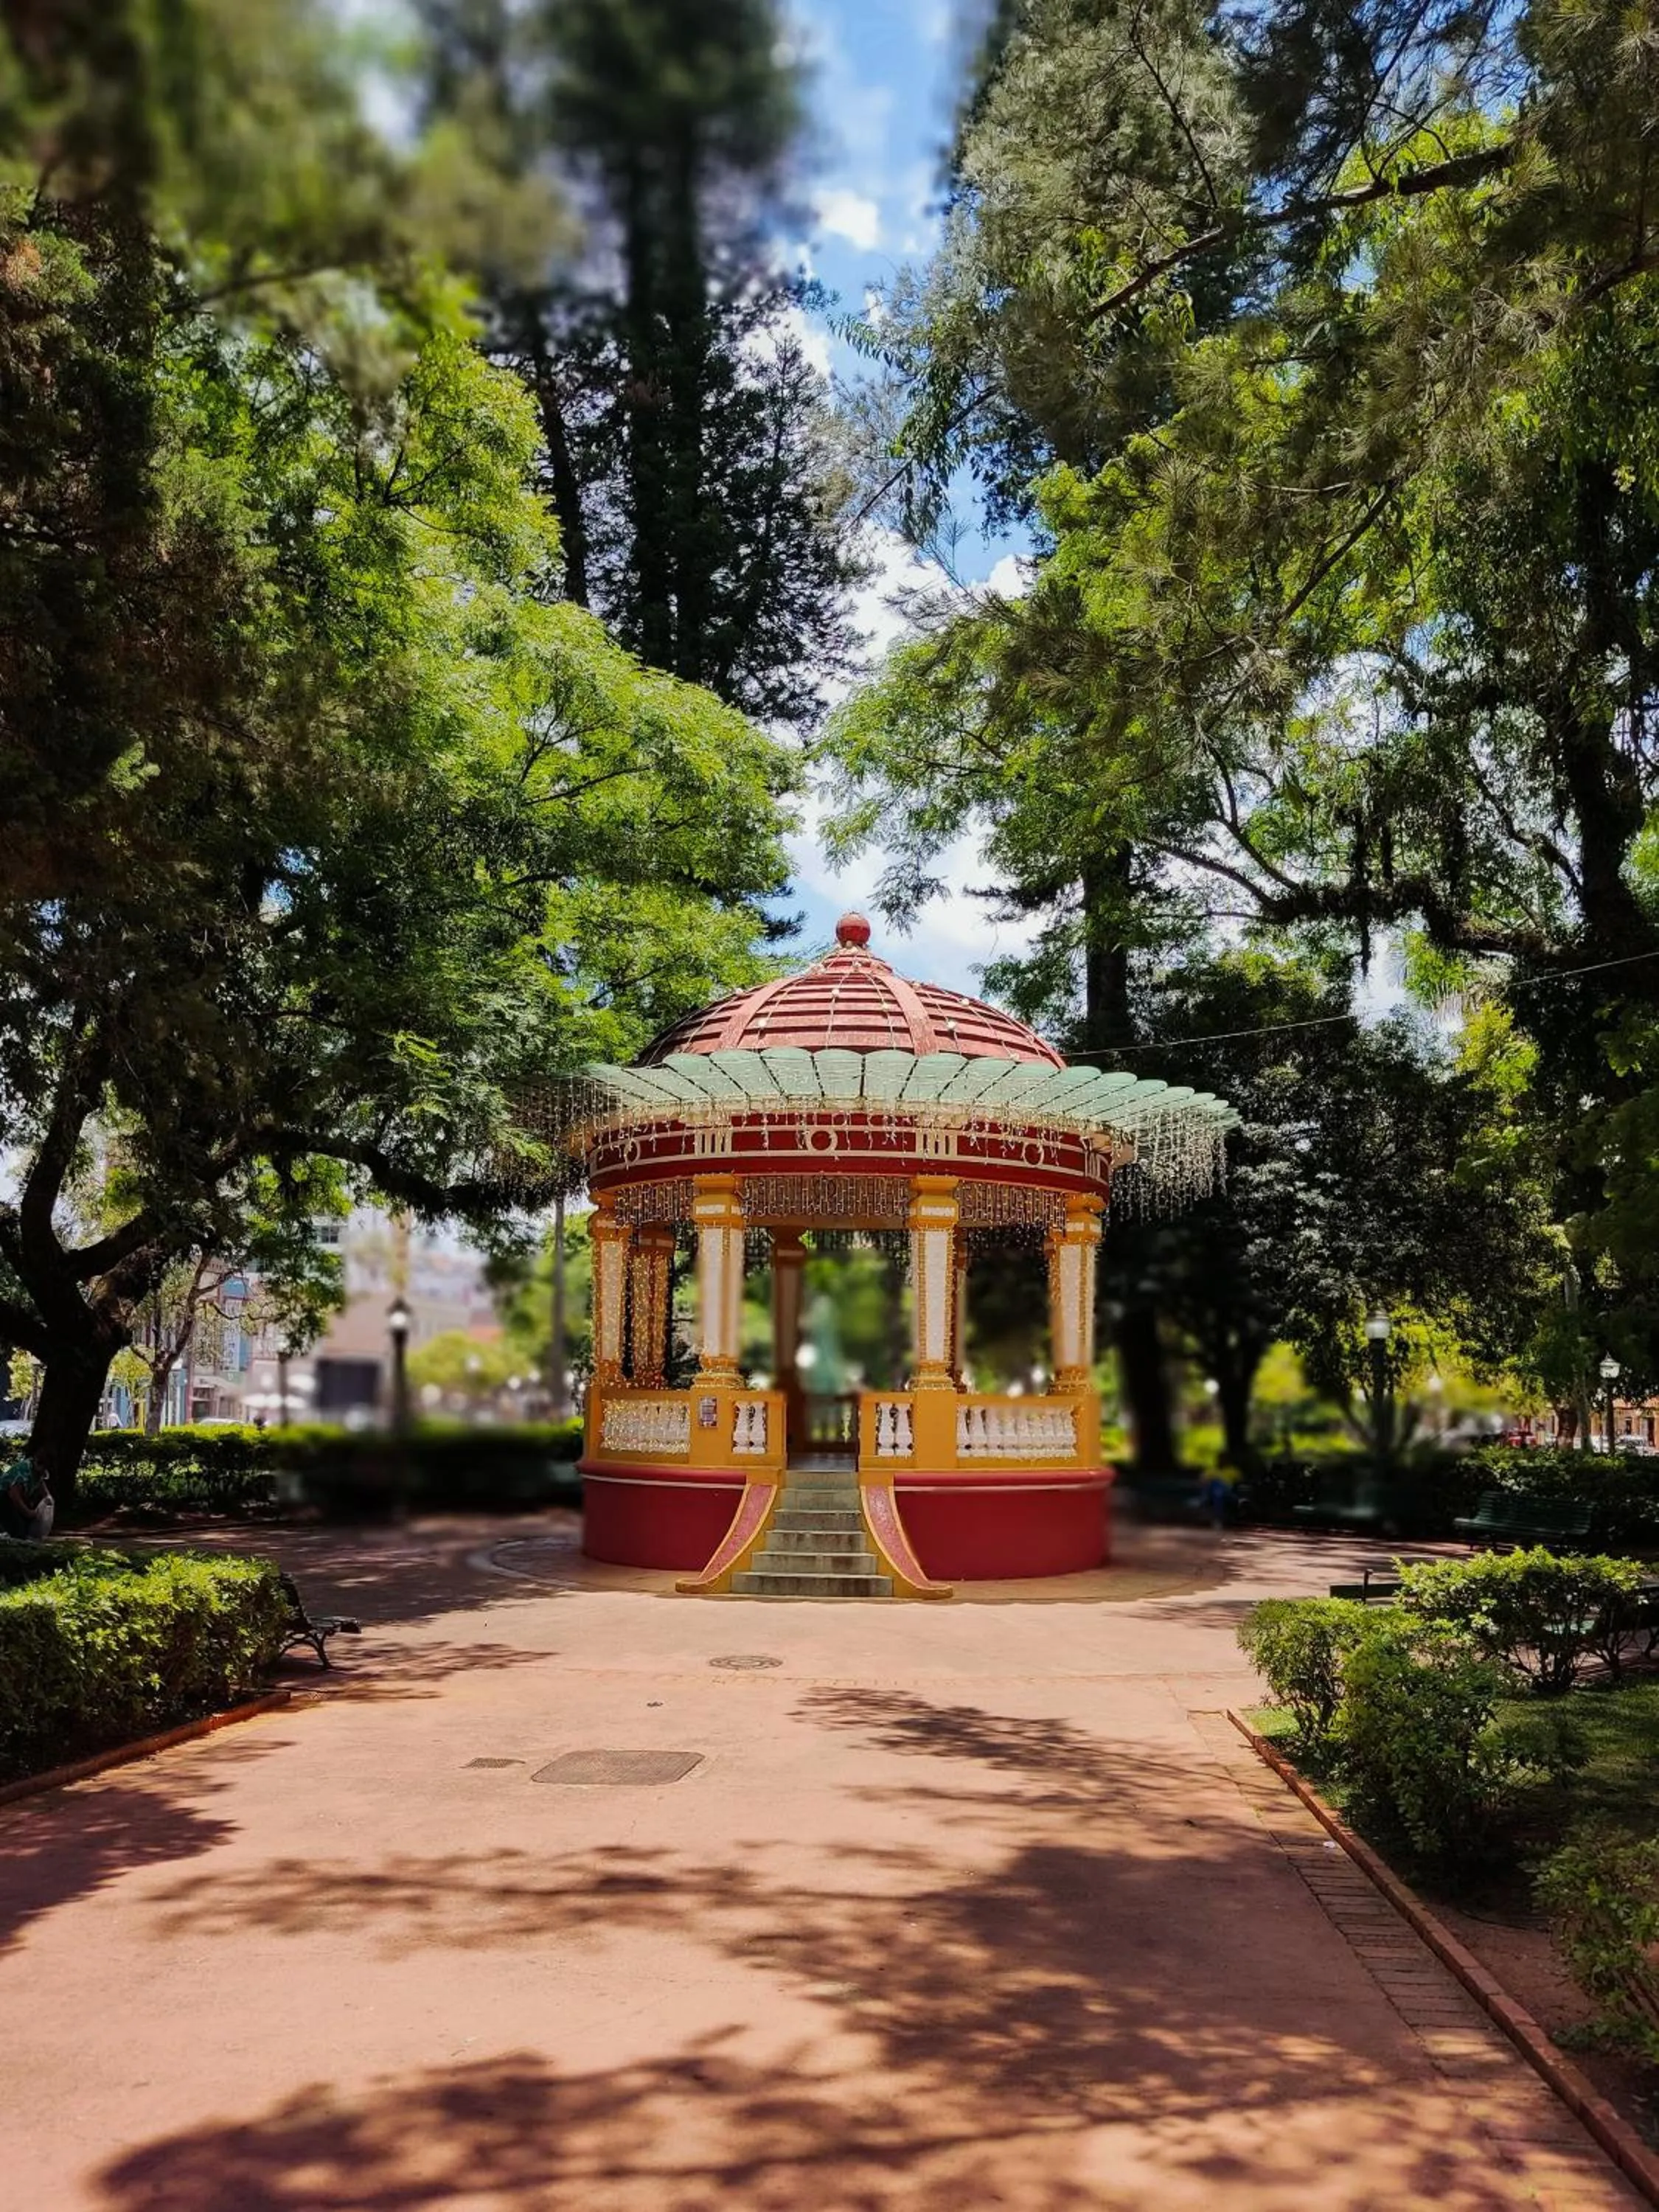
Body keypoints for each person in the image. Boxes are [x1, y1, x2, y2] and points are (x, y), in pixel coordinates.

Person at [0, 1455, 53, 1541]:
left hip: (16, 1498)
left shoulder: (38, 1474)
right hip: (4, 1497)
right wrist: (28, 1512)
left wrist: (47, 1501)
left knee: (27, 1529)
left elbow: (43, 1490)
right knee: (18, 1531)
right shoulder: (24, 1470)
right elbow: (14, 1495)